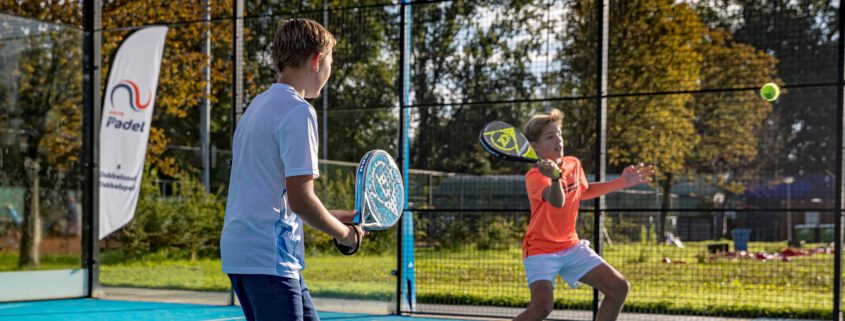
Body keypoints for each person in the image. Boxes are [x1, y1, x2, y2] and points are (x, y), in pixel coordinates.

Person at [220, 18, 362, 321]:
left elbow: (277, 196)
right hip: (269, 257)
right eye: (330, 63)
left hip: (246, 252)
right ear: (317, 60)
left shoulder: (257, 106)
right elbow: (301, 200)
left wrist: (334, 218)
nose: (328, 74)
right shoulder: (299, 111)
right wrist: (347, 236)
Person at [514, 108, 654, 321]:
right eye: (550, 136)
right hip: (540, 249)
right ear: (534, 147)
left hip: (570, 246)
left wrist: (622, 182)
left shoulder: (573, 163)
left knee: (618, 288)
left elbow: (583, 191)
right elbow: (557, 201)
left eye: (559, 134)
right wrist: (554, 177)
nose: (558, 140)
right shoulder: (534, 176)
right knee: (542, 307)